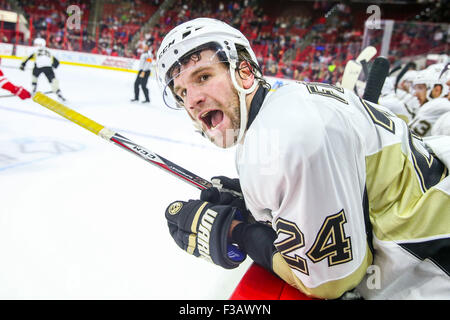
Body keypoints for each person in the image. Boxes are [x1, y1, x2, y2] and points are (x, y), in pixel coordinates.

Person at [156, 18, 450, 300]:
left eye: (203, 77)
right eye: (181, 92)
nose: (191, 100)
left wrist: (239, 233)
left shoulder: (289, 135)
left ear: (244, 72)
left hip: (434, 275)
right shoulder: (286, 105)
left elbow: (333, 281)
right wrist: (258, 207)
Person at [409, 65, 450, 137]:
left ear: (437, 90)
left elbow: (409, 140)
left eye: (420, 88)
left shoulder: (440, 105)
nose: (415, 94)